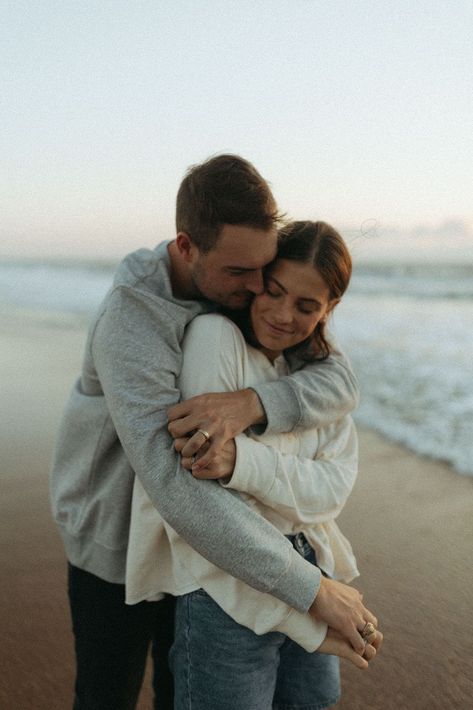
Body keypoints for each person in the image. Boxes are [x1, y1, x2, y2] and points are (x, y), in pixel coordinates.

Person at [50, 155, 377, 710]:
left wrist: (253, 402)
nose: (257, 291)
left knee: (181, 688)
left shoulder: (250, 284)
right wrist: (313, 589)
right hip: (115, 539)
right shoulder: (132, 318)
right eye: (241, 275)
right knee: (108, 693)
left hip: (204, 545)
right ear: (186, 247)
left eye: (264, 272)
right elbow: (175, 483)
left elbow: (339, 378)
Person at [126, 220, 382, 709]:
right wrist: (304, 608)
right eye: (274, 291)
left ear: (330, 309)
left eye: (307, 306)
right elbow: (205, 504)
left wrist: (243, 458)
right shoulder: (216, 339)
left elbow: (331, 493)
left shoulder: (318, 375)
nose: (284, 315)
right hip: (229, 586)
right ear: (257, 278)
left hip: (315, 565)